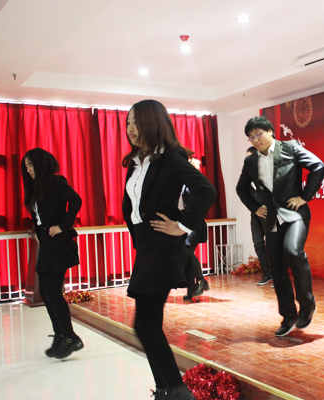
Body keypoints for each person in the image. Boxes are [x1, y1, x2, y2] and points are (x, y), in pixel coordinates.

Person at [122, 99, 216, 400]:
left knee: (145, 326)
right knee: (147, 326)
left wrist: (183, 226)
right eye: (127, 122)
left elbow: (206, 191)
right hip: (147, 248)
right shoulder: (137, 162)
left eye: (136, 121)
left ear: (152, 122)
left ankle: (176, 391)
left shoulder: (170, 157)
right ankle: (166, 390)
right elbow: (133, 208)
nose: (130, 128)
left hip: (162, 250)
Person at [236, 116, 324, 337]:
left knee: (293, 251)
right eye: (251, 137)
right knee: (276, 267)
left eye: (258, 134)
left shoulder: (290, 148)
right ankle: (288, 315)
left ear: (270, 132)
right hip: (272, 218)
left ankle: (307, 304)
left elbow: (318, 167)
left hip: (295, 214)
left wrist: (305, 197)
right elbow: (241, 189)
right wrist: (256, 208)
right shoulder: (251, 161)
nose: (255, 140)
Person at [21, 148, 84, 359]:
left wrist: (63, 226)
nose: (29, 170)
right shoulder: (35, 188)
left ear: (41, 164)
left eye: (31, 165)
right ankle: (61, 334)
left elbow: (76, 201)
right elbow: (38, 217)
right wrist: (38, 233)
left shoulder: (56, 182)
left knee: (52, 291)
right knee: (46, 292)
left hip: (59, 244)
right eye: (26, 167)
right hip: (47, 244)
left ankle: (70, 337)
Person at [180, 152, 210, 301]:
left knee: (187, 253)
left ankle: (200, 281)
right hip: (185, 222)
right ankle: (192, 287)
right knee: (185, 256)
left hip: (194, 222)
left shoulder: (197, 183)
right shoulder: (184, 182)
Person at [245, 146, 273, 286]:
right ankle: (267, 273)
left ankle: (278, 275)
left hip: (269, 213)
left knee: (272, 244)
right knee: (258, 243)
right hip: (255, 215)